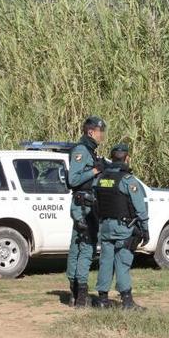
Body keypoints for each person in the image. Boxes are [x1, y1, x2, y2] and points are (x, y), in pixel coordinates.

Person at [93, 143, 149, 311]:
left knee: (105, 262)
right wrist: (145, 229)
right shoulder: (128, 180)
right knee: (122, 262)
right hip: (123, 228)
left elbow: (96, 202)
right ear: (127, 158)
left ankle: (102, 300)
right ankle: (127, 302)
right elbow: (140, 208)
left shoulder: (101, 178)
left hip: (105, 227)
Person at [66, 116, 106, 307]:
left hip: (86, 204)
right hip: (83, 206)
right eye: (100, 132)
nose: (102, 136)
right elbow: (72, 180)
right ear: (91, 132)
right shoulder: (81, 151)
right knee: (85, 248)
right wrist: (94, 172)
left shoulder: (89, 150)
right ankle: (81, 295)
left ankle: (75, 294)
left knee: (77, 246)